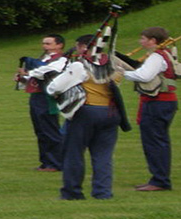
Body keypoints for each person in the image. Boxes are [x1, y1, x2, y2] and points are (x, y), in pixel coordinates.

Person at [45, 33, 129, 200]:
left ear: (84, 47)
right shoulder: (113, 65)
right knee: (103, 155)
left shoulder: (80, 65)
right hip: (110, 112)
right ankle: (103, 192)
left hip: (86, 111)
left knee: (74, 153)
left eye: (78, 47)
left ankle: (72, 192)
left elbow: (54, 87)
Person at [120, 26, 177, 192]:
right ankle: (159, 178)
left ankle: (159, 180)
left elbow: (144, 76)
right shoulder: (164, 54)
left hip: (157, 102)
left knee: (154, 141)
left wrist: (121, 72)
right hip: (164, 102)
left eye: (143, 38)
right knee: (158, 140)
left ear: (153, 40)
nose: (141, 41)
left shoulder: (156, 57)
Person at [18, 35, 68, 171]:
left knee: (49, 129)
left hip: (48, 97)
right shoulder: (43, 59)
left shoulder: (61, 60)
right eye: (44, 43)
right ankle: (46, 161)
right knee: (40, 130)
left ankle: (56, 162)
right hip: (36, 95)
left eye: (49, 43)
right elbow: (36, 73)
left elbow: (46, 72)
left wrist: (29, 72)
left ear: (59, 45)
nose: (45, 46)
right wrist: (24, 77)